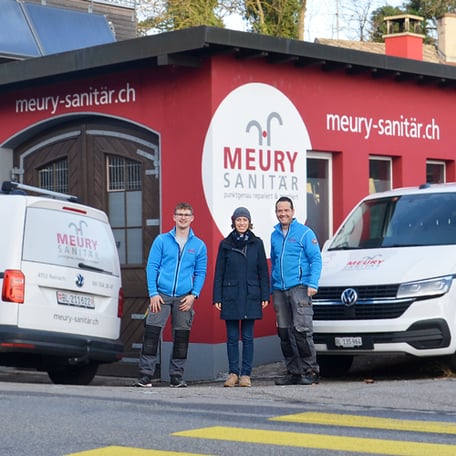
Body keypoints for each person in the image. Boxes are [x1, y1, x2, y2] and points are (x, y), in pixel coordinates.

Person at [133, 202, 207, 388]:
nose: (183, 218)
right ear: (174, 217)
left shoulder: (199, 246)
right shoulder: (161, 241)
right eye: (180, 214)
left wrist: (194, 295)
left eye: (186, 215)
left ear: (192, 218)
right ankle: (145, 375)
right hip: (161, 295)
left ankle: (176, 376)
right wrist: (153, 293)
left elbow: (200, 272)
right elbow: (152, 267)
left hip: (184, 297)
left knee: (181, 338)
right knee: (151, 335)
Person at [213, 207, 270, 387]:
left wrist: (265, 294)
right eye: (239, 220)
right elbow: (219, 273)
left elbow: (263, 271)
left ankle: (246, 374)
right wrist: (217, 297)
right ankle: (233, 374)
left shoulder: (257, 243)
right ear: (234, 222)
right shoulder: (225, 244)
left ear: (249, 222)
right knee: (231, 338)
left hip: (251, 295)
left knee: (247, 337)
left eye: (245, 220)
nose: (242, 223)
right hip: (230, 296)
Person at [270, 196, 322, 386]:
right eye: (279, 210)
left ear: (292, 212)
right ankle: (293, 372)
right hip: (279, 289)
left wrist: (313, 283)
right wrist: (272, 286)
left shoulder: (305, 233)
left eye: (286, 210)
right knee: (284, 333)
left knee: (302, 331)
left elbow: (316, 259)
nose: (282, 214)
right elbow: (274, 262)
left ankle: (311, 371)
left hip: (300, 288)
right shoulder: (274, 235)